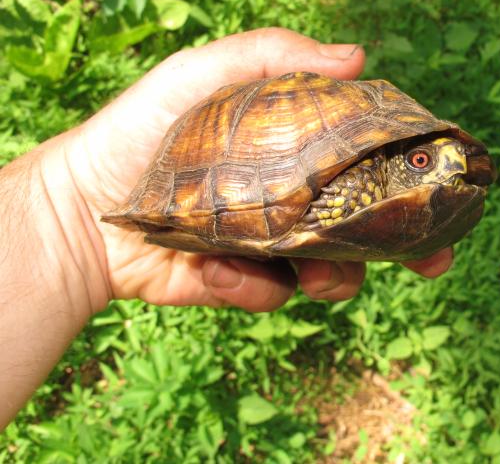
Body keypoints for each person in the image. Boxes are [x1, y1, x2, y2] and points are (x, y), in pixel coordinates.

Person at [0, 28, 453, 429]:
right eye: (421, 160)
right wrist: (70, 206)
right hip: (211, 173)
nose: (445, 167)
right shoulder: (361, 169)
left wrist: (65, 221)